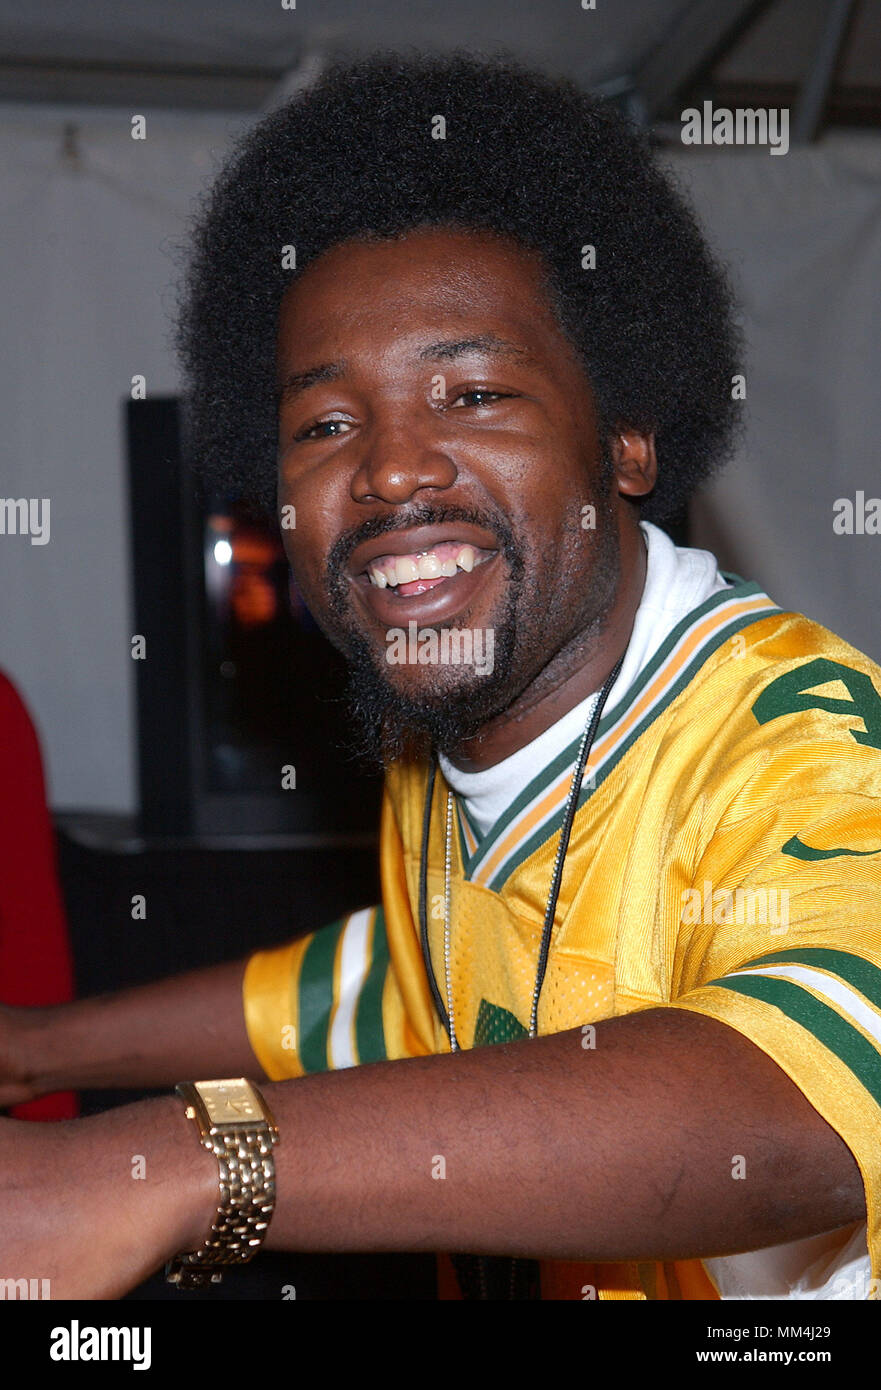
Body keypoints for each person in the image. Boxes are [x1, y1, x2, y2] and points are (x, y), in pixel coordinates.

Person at [1, 53, 879, 1302]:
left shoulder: (805, 738)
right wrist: (36, 1052)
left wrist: (158, 1166)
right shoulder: (450, 737)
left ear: (623, 437)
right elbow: (387, 990)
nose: (392, 469)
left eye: (469, 392)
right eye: (326, 423)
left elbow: (803, 1092)